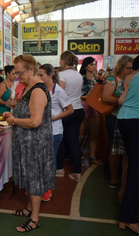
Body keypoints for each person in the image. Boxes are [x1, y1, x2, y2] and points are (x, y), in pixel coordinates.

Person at [4, 55, 54, 233]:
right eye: (16, 73)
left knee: (34, 180)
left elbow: (35, 122)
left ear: (31, 70)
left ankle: (35, 219)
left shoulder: (38, 91)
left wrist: (15, 120)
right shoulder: (27, 87)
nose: (18, 77)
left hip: (35, 144)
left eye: (20, 73)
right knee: (28, 177)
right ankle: (29, 208)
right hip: (26, 143)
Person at [38, 63, 74, 201]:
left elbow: (70, 110)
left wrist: (54, 118)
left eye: (41, 75)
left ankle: (47, 189)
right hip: (41, 130)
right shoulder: (40, 89)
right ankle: (39, 187)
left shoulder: (59, 92)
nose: (39, 77)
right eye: (38, 74)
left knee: (49, 160)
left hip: (54, 132)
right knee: (40, 160)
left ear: (50, 75)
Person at [102, 55, 133, 196]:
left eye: (131, 68)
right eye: (128, 68)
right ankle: (113, 176)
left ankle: (120, 175)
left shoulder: (132, 80)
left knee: (125, 150)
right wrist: (122, 101)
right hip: (114, 117)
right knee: (114, 147)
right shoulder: (112, 79)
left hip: (126, 117)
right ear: (121, 67)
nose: (130, 70)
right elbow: (106, 97)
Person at [117, 55, 139, 234]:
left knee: (134, 165)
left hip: (123, 119)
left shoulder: (130, 78)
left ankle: (129, 211)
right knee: (136, 169)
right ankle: (128, 216)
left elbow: (121, 101)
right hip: (135, 121)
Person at [56, 50, 85, 182]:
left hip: (66, 110)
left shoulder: (62, 75)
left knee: (61, 139)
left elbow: (60, 93)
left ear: (63, 60)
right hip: (78, 109)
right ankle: (77, 172)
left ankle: (59, 168)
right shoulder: (79, 75)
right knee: (74, 141)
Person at [79, 57, 101, 165]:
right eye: (92, 64)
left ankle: (92, 156)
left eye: (94, 64)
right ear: (86, 66)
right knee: (80, 133)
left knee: (95, 133)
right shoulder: (81, 78)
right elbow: (77, 94)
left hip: (93, 106)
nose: (94, 66)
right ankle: (77, 155)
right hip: (84, 105)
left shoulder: (96, 79)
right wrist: (86, 98)